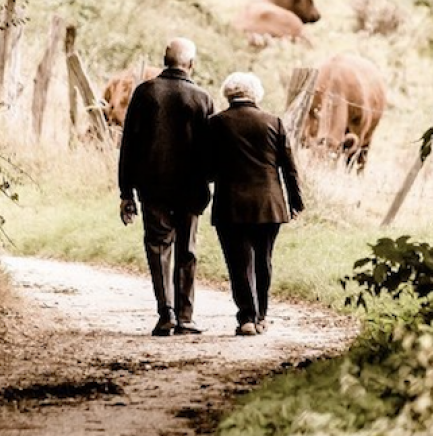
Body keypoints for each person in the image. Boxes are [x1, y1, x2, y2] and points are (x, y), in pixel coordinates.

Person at [118, 37, 215, 336]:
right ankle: (186, 317)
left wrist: (126, 193)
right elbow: (211, 150)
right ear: (192, 64)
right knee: (187, 249)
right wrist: (208, 181)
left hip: (153, 186)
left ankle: (166, 313)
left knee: (159, 248)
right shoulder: (202, 98)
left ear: (164, 59)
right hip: (191, 188)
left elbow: (129, 146)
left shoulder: (145, 93)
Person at [207, 72, 304, 336]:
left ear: (228, 94)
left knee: (238, 263)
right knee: (264, 260)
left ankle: (246, 318)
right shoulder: (274, 122)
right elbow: (289, 168)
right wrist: (295, 201)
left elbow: (207, 167)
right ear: (255, 94)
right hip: (269, 203)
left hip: (230, 204)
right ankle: (262, 315)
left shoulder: (215, 124)